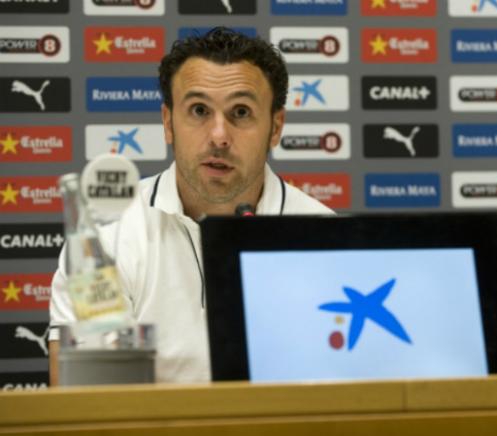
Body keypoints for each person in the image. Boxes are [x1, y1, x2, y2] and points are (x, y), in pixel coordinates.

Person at [48, 27, 334, 384]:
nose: (218, 136)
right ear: (168, 123)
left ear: (275, 128)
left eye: (241, 112)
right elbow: (83, 393)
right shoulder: (108, 233)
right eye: (199, 110)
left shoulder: (325, 236)